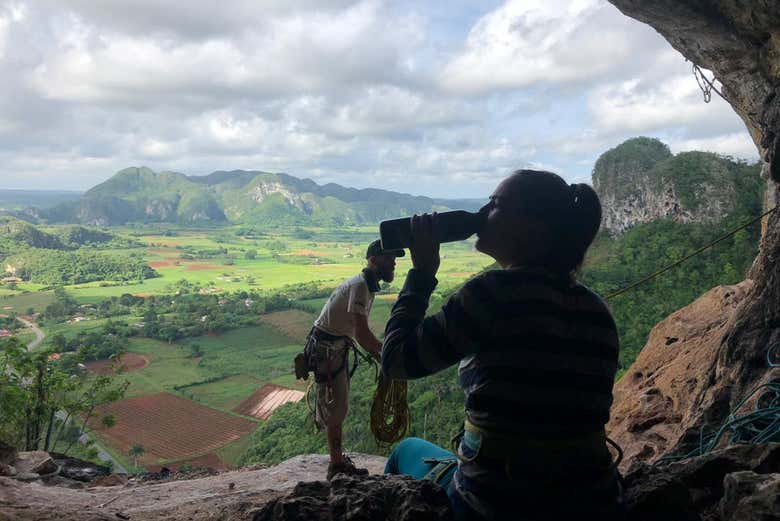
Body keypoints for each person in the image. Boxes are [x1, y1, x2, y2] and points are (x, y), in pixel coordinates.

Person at [381, 170, 625, 520]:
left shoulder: (491, 293)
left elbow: (396, 360)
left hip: (496, 504)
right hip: (595, 502)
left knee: (406, 450)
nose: (482, 214)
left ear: (532, 226)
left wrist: (422, 273)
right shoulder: (597, 310)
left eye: (495, 205)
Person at [308, 239, 404, 480]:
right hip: (327, 350)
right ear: (372, 260)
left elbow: (358, 330)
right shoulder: (361, 286)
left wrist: (382, 351)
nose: (393, 262)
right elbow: (361, 333)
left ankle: (337, 461)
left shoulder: (366, 285)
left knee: (337, 406)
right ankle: (336, 465)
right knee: (335, 408)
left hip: (332, 347)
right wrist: (385, 356)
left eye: (394, 258)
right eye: (388, 258)